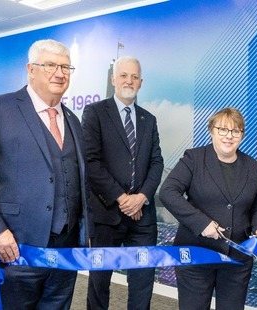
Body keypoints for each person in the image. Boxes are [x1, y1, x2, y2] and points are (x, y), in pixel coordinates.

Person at [0, 39, 92, 309]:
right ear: (31, 69)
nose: (59, 73)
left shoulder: (73, 120)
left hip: (66, 252)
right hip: (16, 248)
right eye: (50, 65)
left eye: (65, 67)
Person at [159, 107, 257, 310]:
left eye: (236, 131)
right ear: (212, 131)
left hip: (238, 257)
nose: (229, 136)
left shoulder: (252, 166)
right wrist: (201, 223)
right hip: (196, 255)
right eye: (223, 130)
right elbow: (168, 192)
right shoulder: (193, 158)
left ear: (242, 135)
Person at [82, 56, 164, 310]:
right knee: (99, 282)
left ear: (141, 82)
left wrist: (141, 197)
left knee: (142, 283)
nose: (129, 81)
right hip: (107, 214)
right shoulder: (95, 112)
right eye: (124, 75)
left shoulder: (148, 120)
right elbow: (91, 162)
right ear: (113, 79)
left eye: (135, 77)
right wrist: (121, 197)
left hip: (142, 217)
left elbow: (156, 163)